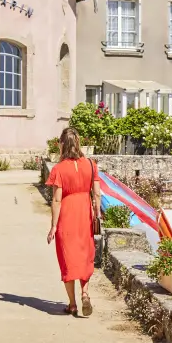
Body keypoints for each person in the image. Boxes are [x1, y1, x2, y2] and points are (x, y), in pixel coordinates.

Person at [46, 127, 102, 317]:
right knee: (84, 255)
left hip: (67, 216)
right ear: (78, 143)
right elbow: (97, 194)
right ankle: (85, 293)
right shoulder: (91, 164)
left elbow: (56, 200)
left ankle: (72, 304)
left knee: (67, 258)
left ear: (62, 144)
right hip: (84, 214)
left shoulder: (58, 169)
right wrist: (96, 214)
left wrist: (53, 225)